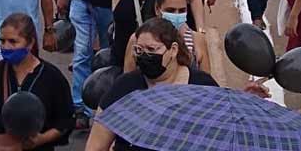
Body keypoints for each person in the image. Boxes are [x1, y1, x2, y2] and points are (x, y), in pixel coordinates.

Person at [86, 18, 218, 151]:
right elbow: (96, 145)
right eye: (139, 50)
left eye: (151, 49)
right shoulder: (124, 87)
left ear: (173, 50)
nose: (145, 55)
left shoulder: (203, 87)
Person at [0, 14, 74, 151]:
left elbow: (65, 120)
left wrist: (42, 139)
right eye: (2, 41)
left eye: (13, 41)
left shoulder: (51, 77)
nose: (6, 47)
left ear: (30, 43)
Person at [122, 0, 209, 73]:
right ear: (157, 9)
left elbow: (206, 82)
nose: (177, 15)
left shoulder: (197, 39)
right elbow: (128, 80)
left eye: (182, 11)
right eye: (170, 10)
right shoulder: (137, 39)